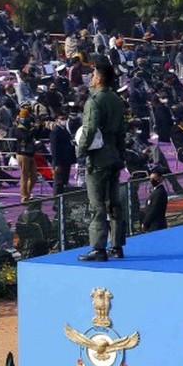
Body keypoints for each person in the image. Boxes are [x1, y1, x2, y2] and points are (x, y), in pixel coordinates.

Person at [76, 58, 127, 261]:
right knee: (114, 203)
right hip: (114, 154)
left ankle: (98, 247)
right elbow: (123, 131)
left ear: (99, 79)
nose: (91, 78)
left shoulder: (95, 101)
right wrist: (120, 153)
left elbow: (89, 129)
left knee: (97, 205)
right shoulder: (116, 99)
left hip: (98, 158)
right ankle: (117, 245)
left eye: (93, 74)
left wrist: (81, 150)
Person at [142, 167, 169, 232]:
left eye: (154, 178)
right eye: (151, 179)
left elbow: (154, 209)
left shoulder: (160, 192)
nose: (151, 180)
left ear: (160, 179)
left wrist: (146, 223)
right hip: (152, 224)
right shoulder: (155, 191)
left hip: (157, 225)